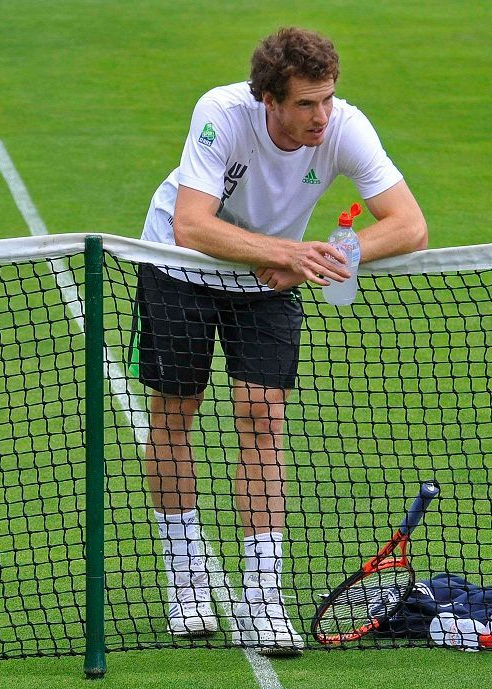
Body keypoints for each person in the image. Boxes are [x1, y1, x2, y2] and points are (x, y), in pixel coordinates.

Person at [134, 27, 427, 656]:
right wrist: (289, 253)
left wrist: (317, 260)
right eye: (304, 104)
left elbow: (410, 226)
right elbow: (191, 224)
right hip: (179, 267)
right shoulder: (221, 114)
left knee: (263, 417)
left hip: (268, 278)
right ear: (269, 99)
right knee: (175, 413)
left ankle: (262, 597)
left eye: (326, 99)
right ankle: (188, 581)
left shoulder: (345, 126)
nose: (320, 116)